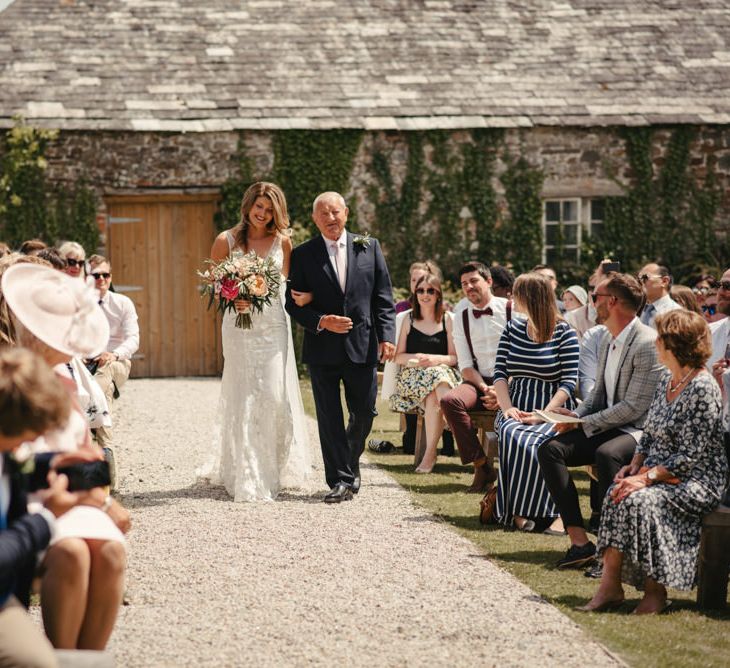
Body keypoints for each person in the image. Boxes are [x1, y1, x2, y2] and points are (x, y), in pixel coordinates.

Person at [2, 263, 130, 650]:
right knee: (72, 551)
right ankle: (62, 654)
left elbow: (88, 450)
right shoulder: (14, 377)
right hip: (33, 498)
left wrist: (102, 498)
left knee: (109, 550)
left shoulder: (64, 378)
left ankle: (88, 659)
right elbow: (16, 462)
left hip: (74, 494)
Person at [577, 310, 728, 614]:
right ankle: (610, 586)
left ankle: (655, 592)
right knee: (616, 492)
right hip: (658, 472)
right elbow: (648, 433)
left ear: (676, 343)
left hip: (697, 479)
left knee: (639, 500)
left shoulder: (702, 387)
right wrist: (635, 465)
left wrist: (645, 479)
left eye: (660, 337)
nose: (655, 342)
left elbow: (690, 456)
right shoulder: (666, 380)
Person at [538, 273, 662, 571]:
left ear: (613, 302)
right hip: (607, 425)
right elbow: (598, 395)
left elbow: (634, 408)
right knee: (549, 449)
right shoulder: (607, 337)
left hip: (638, 431)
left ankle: (610, 555)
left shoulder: (647, 342)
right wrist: (575, 416)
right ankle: (580, 543)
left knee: (607, 455)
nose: (592, 303)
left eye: (596, 297)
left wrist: (585, 423)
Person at [199, 182, 312, 502]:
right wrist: (234, 297)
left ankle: (272, 466)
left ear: (277, 212)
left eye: (269, 209)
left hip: (274, 326)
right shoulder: (227, 240)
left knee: (274, 394)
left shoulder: (284, 243)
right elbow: (215, 284)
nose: (262, 214)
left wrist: (307, 298)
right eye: (258, 207)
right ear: (248, 206)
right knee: (243, 394)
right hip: (239, 326)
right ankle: (245, 470)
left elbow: (286, 287)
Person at [286, 191, 395, 503]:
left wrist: (387, 336)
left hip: (363, 344)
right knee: (329, 417)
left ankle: (350, 456)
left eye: (335, 212)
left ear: (346, 213)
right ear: (314, 219)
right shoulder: (304, 254)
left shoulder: (369, 246)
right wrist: (321, 320)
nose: (330, 218)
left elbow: (383, 297)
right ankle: (341, 480)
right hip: (322, 351)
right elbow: (292, 305)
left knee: (365, 411)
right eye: (324, 214)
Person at [0, 347, 95, 668]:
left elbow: (14, 465)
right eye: (35, 432)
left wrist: (54, 462)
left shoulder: (7, 449)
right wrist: (47, 517)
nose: (40, 436)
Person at [493, 273, 580, 531]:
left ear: (529, 297)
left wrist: (544, 413)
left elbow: (568, 381)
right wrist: (507, 408)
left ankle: (553, 512)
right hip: (516, 400)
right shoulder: (512, 328)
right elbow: (499, 373)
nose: (511, 297)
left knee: (539, 441)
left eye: (516, 292)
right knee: (512, 434)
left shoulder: (565, 332)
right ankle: (517, 512)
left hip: (552, 404)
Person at [440, 262, 508, 493]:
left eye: (474, 281)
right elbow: (466, 365)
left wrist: (501, 390)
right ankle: (482, 466)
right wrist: (483, 387)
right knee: (450, 401)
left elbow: (519, 359)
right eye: (464, 284)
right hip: (478, 381)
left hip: (511, 382)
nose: (469, 287)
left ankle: (512, 474)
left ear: (489, 282)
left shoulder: (511, 310)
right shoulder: (461, 317)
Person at [389, 273, 460, 472]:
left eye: (430, 290)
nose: (425, 294)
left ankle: (430, 454)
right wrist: (419, 359)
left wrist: (436, 360)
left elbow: (454, 358)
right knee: (437, 381)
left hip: (442, 377)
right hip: (413, 377)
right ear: (415, 293)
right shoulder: (408, 320)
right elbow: (398, 356)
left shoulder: (448, 319)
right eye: (420, 290)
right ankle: (456, 423)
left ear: (438, 294)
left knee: (434, 392)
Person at [86, 254, 139, 449]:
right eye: (96, 275)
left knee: (105, 370)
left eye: (105, 275)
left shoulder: (123, 303)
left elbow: (134, 339)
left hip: (118, 361)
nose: (101, 279)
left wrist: (113, 354)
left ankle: (88, 417)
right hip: (87, 363)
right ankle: (105, 452)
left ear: (111, 276)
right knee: (105, 390)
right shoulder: (80, 304)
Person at [638, 262, 681, 328]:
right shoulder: (640, 310)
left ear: (664, 281)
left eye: (645, 278)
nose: (641, 282)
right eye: (639, 279)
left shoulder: (675, 313)